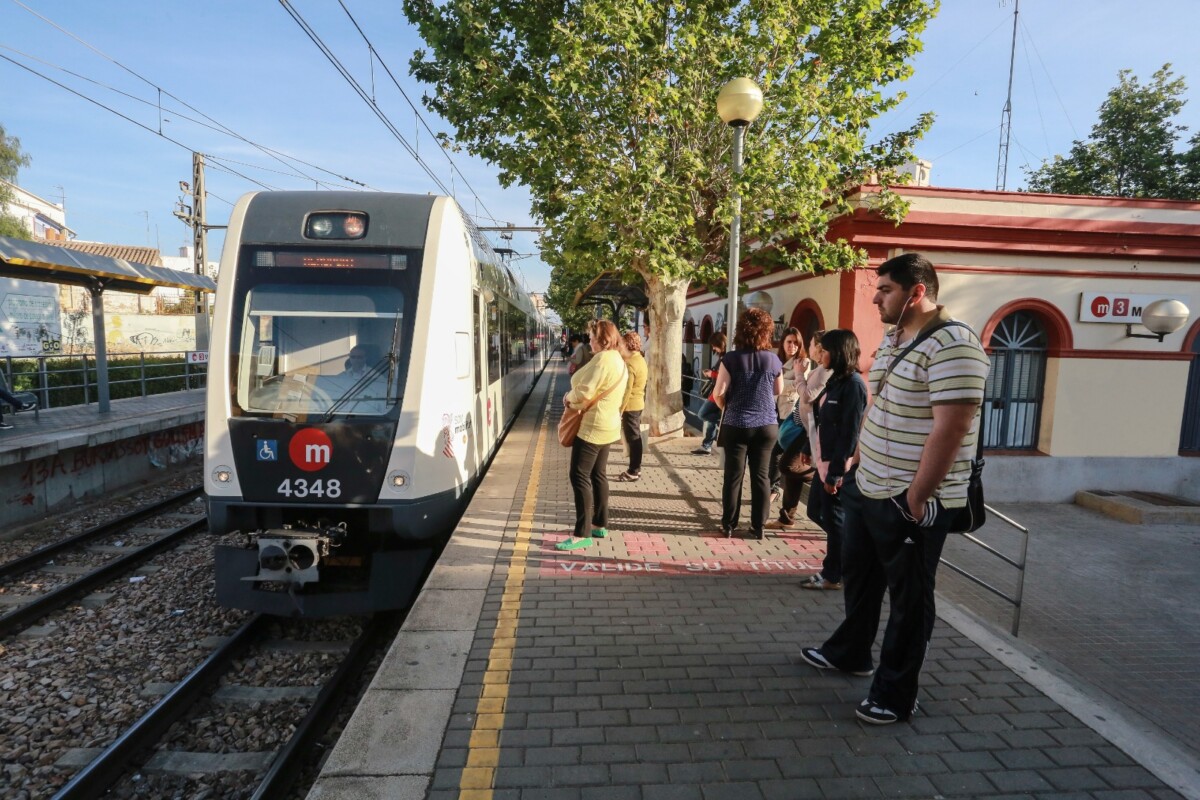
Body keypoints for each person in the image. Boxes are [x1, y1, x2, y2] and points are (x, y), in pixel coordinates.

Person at [799, 253, 990, 726]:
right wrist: (856, 464)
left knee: (909, 599)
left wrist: (917, 498)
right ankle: (850, 652)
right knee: (861, 578)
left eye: (885, 289)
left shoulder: (954, 344)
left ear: (917, 292)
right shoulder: (892, 338)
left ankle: (895, 693)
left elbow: (953, 427)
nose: (876, 296)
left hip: (911, 498)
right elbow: (878, 406)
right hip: (869, 485)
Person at [799, 329, 868, 591]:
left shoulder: (854, 386)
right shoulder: (835, 381)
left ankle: (833, 574)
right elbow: (820, 418)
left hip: (836, 465)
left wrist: (837, 473)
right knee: (815, 511)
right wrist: (808, 445)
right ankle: (845, 557)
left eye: (824, 350)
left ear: (839, 352)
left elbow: (850, 434)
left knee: (834, 518)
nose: (819, 353)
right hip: (822, 459)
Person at [557, 320, 628, 551]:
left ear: (603, 339)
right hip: (609, 426)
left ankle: (582, 534)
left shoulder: (603, 360)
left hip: (592, 427)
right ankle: (600, 523)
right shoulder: (618, 359)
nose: (589, 341)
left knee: (579, 476)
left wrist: (568, 398)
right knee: (599, 475)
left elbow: (585, 392)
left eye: (592, 337)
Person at [713, 308, 783, 539]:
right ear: (766, 332)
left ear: (740, 331)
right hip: (766, 426)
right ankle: (759, 526)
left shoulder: (731, 359)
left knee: (734, 476)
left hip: (736, 424)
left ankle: (729, 524)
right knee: (762, 476)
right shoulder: (773, 359)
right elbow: (778, 391)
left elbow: (718, 392)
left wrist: (727, 407)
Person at [766, 330, 827, 530]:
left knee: (787, 466)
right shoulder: (816, 368)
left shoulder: (815, 368)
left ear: (819, 348)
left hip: (806, 426)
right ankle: (786, 516)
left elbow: (808, 395)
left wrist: (798, 376)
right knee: (788, 467)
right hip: (796, 421)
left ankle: (822, 475)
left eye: (807, 343)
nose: (803, 347)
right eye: (789, 342)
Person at [768, 327, 805, 498]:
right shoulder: (776, 361)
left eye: (796, 342)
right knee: (775, 452)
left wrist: (779, 383)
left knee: (781, 452)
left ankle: (776, 489)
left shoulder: (804, 363)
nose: (792, 346)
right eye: (789, 342)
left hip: (792, 415)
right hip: (774, 412)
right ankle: (773, 488)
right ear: (782, 343)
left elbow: (787, 386)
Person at [617, 331, 648, 482]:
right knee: (635, 437)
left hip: (630, 406)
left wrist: (619, 410)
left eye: (622, 343)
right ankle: (636, 468)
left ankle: (634, 470)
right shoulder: (640, 359)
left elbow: (626, 390)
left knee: (633, 438)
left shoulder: (630, 363)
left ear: (627, 344)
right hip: (638, 403)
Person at [691, 331, 727, 455]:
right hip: (716, 391)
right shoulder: (722, 357)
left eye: (714, 345)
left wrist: (712, 374)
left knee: (702, 414)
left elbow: (725, 375)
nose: (713, 348)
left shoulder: (726, 357)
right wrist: (711, 373)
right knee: (710, 420)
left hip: (718, 393)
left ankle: (724, 420)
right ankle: (706, 445)